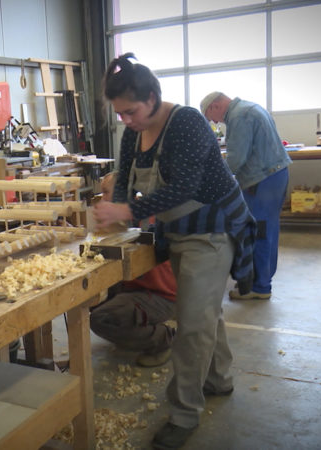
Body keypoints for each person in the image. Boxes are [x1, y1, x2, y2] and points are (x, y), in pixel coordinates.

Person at [93, 53, 257, 450]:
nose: (126, 120)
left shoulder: (187, 122)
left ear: (153, 97)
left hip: (211, 229)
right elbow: (124, 174)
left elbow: (184, 187)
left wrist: (129, 210)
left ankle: (184, 414)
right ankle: (219, 379)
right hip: (177, 230)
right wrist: (114, 211)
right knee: (202, 311)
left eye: (131, 111)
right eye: (120, 115)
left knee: (192, 325)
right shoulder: (133, 130)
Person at [200, 92, 292, 300]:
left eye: (210, 116)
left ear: (216, 105)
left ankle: (260, 287)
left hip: (261, 181)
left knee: (258, 231)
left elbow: (236, 159)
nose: (215, 122)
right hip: (275, 176)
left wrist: (211, 178)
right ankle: (264, 278)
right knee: (268, 229)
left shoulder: (239, 117)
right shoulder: (251, 108)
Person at [90, 172, 178, 368]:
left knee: (101, 318)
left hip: (160, 293)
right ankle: (132, 330)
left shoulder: (147, 218)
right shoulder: (123, 219)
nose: (101, 199)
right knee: (88, 298)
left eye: (106, 193)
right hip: (136, 287)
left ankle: (162, 340)